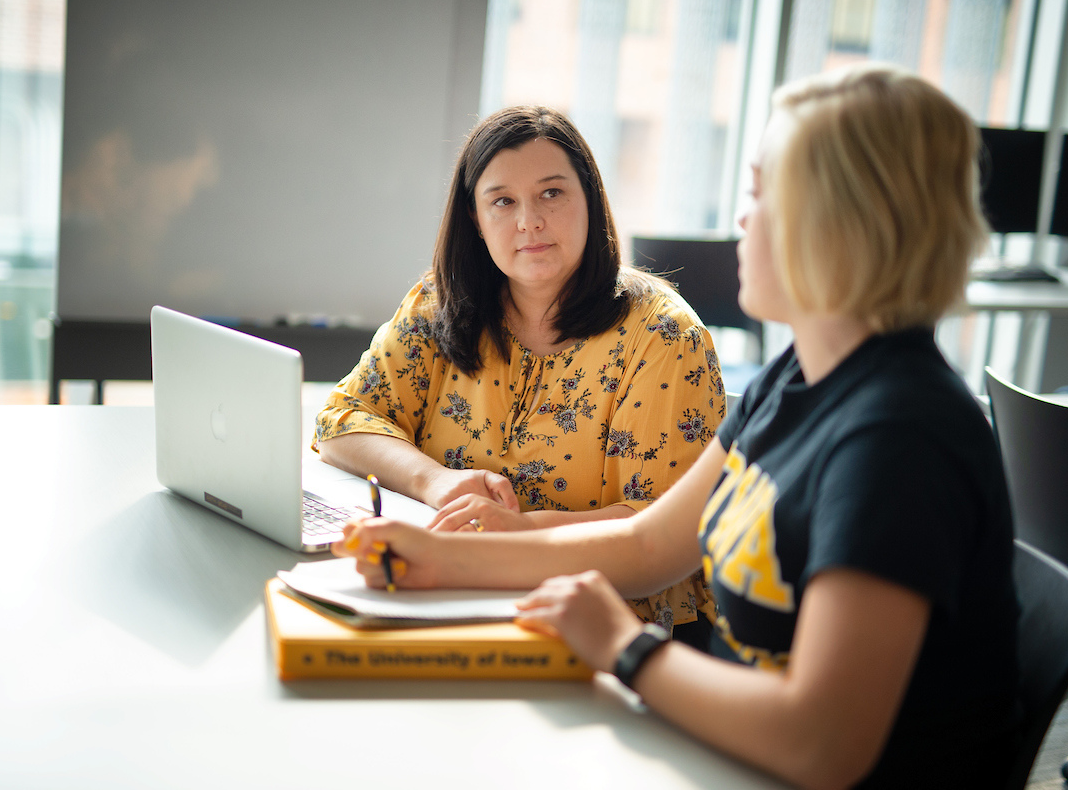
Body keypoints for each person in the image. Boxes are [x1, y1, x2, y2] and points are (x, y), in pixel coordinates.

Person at [335, 65, 1022, 789]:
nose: (743, 218)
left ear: (846, 220)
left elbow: (823, 745)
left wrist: (627, 647)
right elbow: (651, 542)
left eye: (762, 193)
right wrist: (438, 558)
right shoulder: (801, 375)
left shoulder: (901, 438)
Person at [314, 105, 725, 646]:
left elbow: (660, 527)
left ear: (590, 201)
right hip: (451, 598)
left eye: (552, 194)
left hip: (605, 629)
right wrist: (435, 482)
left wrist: (519, 533)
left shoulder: (662, 336)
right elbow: (343, 420)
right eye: (502, 201)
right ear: (475, 220)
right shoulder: (440, 303)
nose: (529, 221)